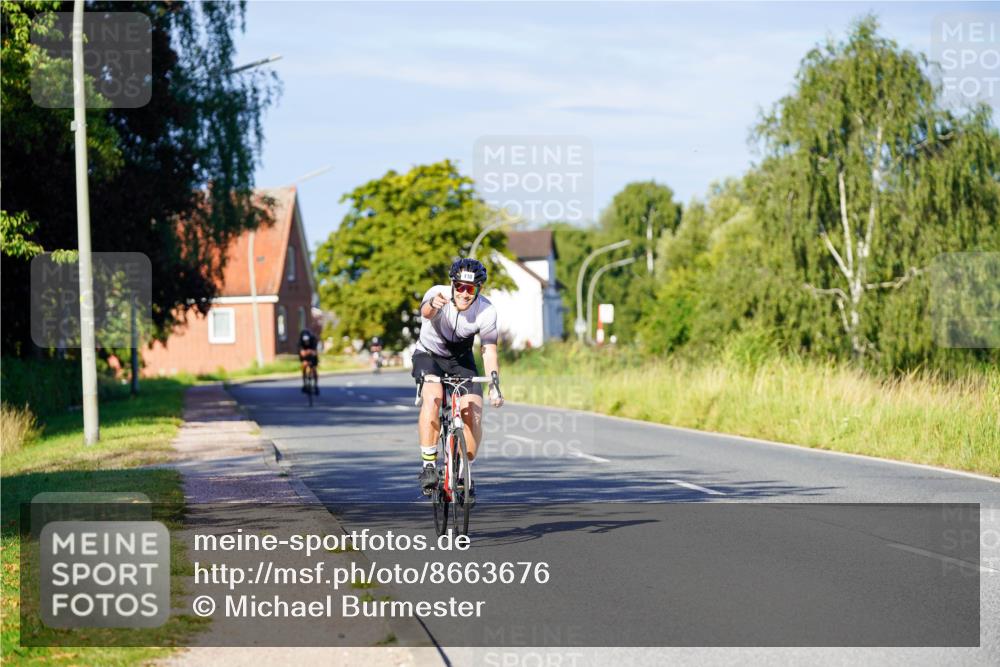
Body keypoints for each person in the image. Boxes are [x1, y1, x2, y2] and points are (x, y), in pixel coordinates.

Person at [413, 258, 503, 495]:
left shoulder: (486, 310)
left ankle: (464, 472)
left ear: (478, 290)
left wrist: (494, 382)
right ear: (452, 285)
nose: (464, 293)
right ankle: (429, 465)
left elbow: (488, 349)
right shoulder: (437, 293)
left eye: (470, 289)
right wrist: (433, 304)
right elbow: (425, 311)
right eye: (460, 287)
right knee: (432, 398)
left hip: (461, 360)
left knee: (472, 413)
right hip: (429, 354)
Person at [298, 328, 319, 394]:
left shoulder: (313, 340)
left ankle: (316, 386)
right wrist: (306, 353)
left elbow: (314, 352)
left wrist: (309, 352)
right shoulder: (300, 342)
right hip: (304, 356)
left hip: (312, 355)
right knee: (304, 366)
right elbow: (302, 353)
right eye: (305, 341)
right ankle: (304, 384)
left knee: (314, 368)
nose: (306, 342)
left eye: (307, 340)